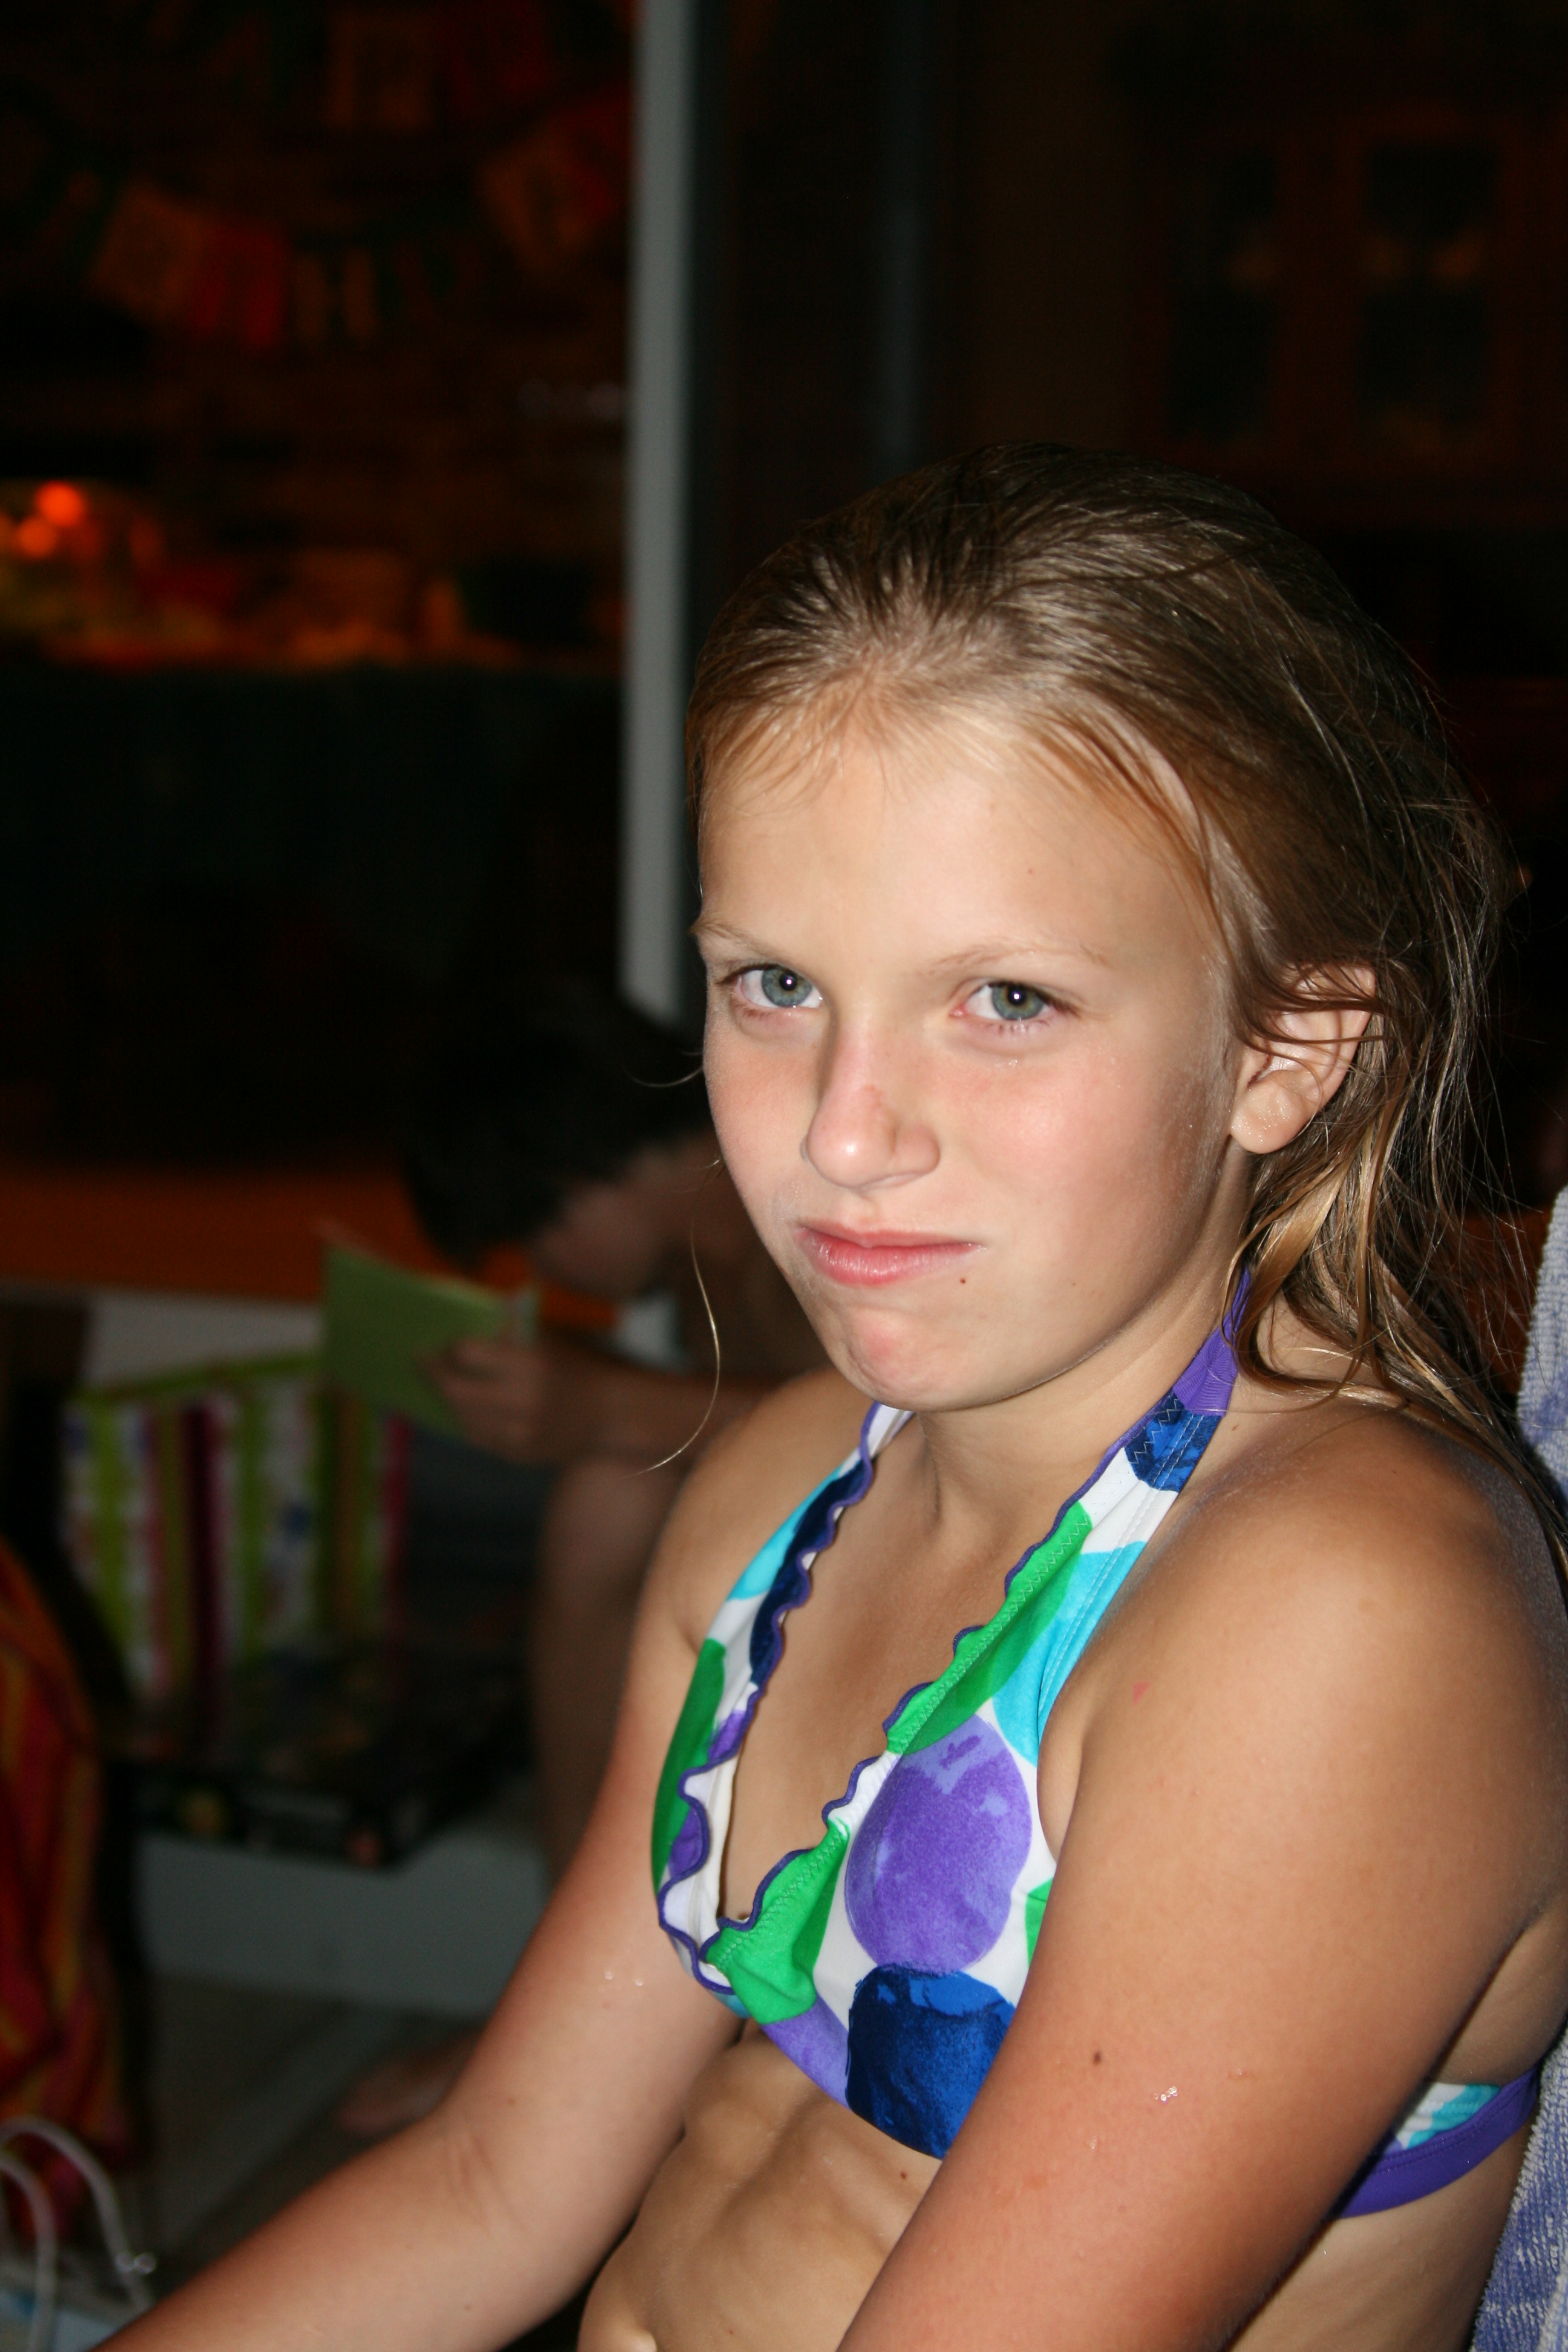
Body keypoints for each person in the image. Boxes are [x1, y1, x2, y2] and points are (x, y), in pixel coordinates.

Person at [117, 446, 1568, 2352]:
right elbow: (493, 2182)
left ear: (1285, 1051)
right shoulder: (784, 1493)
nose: (843, 1132)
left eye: (1008, 1001)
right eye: (776, 985)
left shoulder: (1341, 1624)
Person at [403, 984, 823, 1880]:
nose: (544, 1271)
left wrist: (605, 1406)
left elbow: (888, 1424)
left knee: (608, 1496)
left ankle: (578, 1879)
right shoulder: (705, 1268)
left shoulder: (794, 1221)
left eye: (534, 1237)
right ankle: (586, 1883)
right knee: (616, 1491)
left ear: (571, 1181)